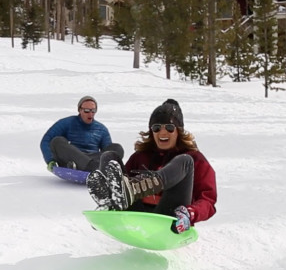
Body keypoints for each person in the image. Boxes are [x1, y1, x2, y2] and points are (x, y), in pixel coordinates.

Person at [86, 99, 217, 233]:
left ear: (178, 131)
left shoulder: (195, 159)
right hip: (137, 215)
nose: (163, 132)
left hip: (169, 219)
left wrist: (191, 213)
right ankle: (110, 204)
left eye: (170, 128)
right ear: (151, 131)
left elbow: (208, 200)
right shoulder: (141, 156)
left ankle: (138, 188)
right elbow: (120, 185)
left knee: (185, 161)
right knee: (109, 157)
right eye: (157, 128)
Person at [40, 96, 123, 172]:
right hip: (72, 159)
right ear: (79, 110)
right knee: (57, 141)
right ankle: (91, 167)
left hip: (93, 159)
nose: (90, 114)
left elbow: (107, 153)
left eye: (93, 111)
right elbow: (46, 140)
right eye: (86, 111)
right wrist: (50, 160)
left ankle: (95, 167)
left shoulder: (101, 129)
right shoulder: (67, 123)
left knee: (116, 148)